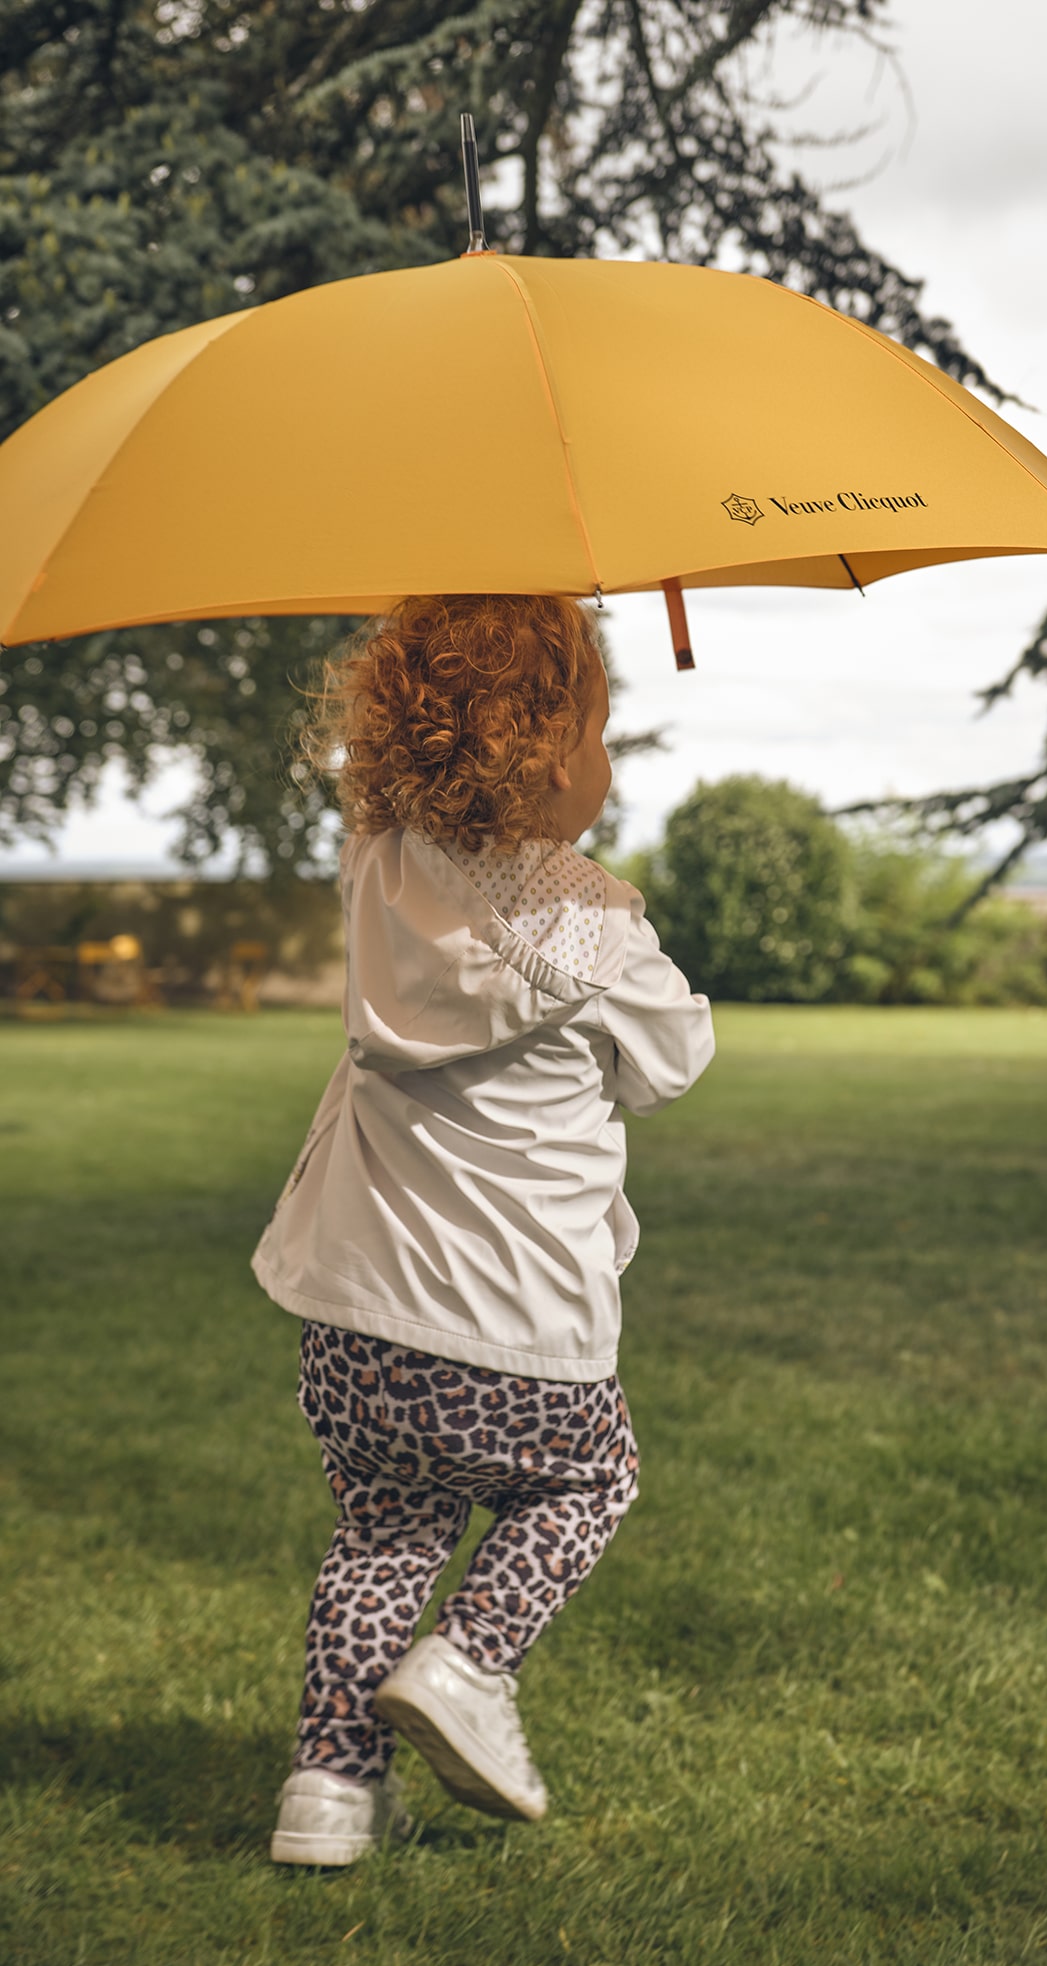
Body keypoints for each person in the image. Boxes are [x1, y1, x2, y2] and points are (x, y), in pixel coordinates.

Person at [253, 594, 714, 1868]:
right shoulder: (593, 921)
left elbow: (397, 833)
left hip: (357, 1321)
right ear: (552, 752)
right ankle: (467, 1660)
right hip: (515, 1325)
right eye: (597, 730)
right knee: (587, 1478)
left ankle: (328, 1791)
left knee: (384, 1532)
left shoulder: (379, 870)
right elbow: (674, 1059)